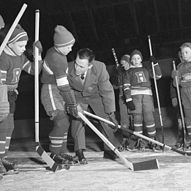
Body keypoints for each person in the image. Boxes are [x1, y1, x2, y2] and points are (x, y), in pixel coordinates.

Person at [0, 24, 43, 175]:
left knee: (9, 127)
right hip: (1, 94)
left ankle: (2, 158)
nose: (24, 48)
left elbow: (33, 70)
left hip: (11, 95)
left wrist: (37, 55)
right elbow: (1, 82)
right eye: (21, 45)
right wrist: (3, 101)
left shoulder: (20, 55)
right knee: (3, 127)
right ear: (10, 43)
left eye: (25, 45)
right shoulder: (3, 58)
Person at [67, 48, 123, 162]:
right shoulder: (67, 68)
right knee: (77, 121)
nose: (77, 68)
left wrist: (110, 111)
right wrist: (73, 104)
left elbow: (107, 90)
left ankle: (109, 150)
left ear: (90, 66)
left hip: (96, 95)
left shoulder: (100, 67)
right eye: (76, 64)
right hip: (76, 97)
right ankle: (79, 152)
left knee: (106, 120)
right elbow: (65, 89)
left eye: (81, 67)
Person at [40, 25, 79, 165]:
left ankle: (62, 152)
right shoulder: (57, 59)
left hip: (57, 89)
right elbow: (63, 86)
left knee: (65, 123)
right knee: (61, 121)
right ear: (60, 45)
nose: (71, 49)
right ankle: (54, 154)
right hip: (51, 90)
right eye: (68, 46)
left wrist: (71, 102)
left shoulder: (57, 52)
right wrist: (72, 103)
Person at [123, 49, 162, 151]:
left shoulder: (146, 70)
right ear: (131, 60)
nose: (136, 60)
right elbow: (126, 86)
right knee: (137, 118)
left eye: (138, 58)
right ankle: (139, 140)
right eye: (134, 58)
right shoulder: (128, 72)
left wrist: (155, 64)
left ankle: (152, 140)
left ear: (141, 59)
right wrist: (128, 99)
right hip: (135, 97)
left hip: (147, 96)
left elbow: (158, 76)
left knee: (149, 117)